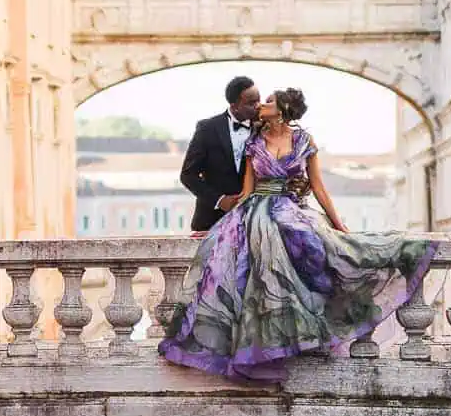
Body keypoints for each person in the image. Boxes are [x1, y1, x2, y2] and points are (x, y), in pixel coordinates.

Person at [160, 85, 435, 382]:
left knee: (313, 244)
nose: (262, 105)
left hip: (290, 207)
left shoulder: (304, 141)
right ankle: (259, 343)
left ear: (283, 110)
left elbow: (318, 187)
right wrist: (217, 226)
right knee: (256, 256)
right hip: (256, 209)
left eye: (268, 101)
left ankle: (308, 326)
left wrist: (338, 224)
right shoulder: (255, 139)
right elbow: (246, 191)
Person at [178, 74, 262, 233]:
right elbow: (188, 175)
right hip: (212, 221)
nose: (258, 106)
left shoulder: (264, 128)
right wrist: (220, 200)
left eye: (258, 100)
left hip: (252, 223)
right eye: (251, 103)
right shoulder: (207, 128)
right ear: (234, 105)